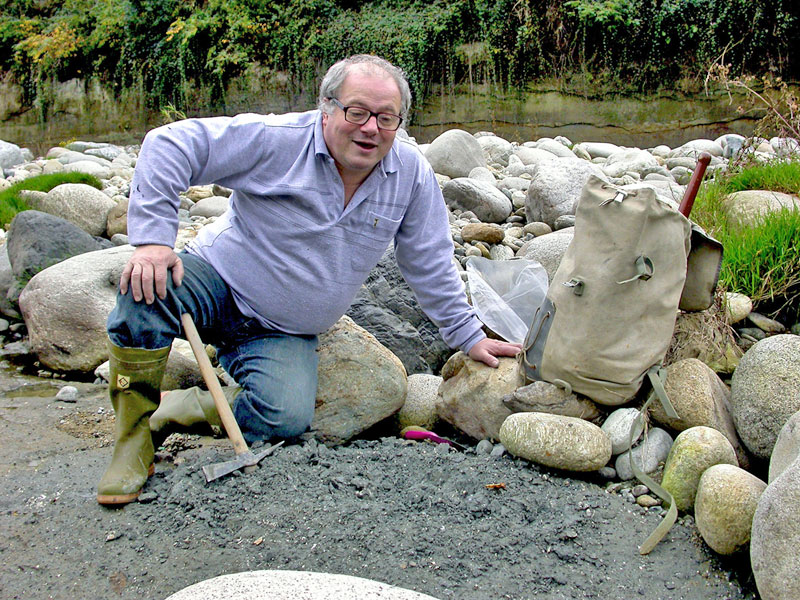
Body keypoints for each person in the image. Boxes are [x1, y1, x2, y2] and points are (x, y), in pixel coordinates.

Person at [97, 54, 521, 506]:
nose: (370, 128)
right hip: (216, 282)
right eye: (356, 112)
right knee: (145, 287)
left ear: (400, 120)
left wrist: (468, 335)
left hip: (283, 329)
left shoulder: (411, 175)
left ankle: (177, 408)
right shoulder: (276, 140)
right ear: (327, 105)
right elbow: (169, 145)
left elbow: (429, 261)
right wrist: (153, 241)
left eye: (386, 117)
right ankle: (132, 436)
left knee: (282, 420)